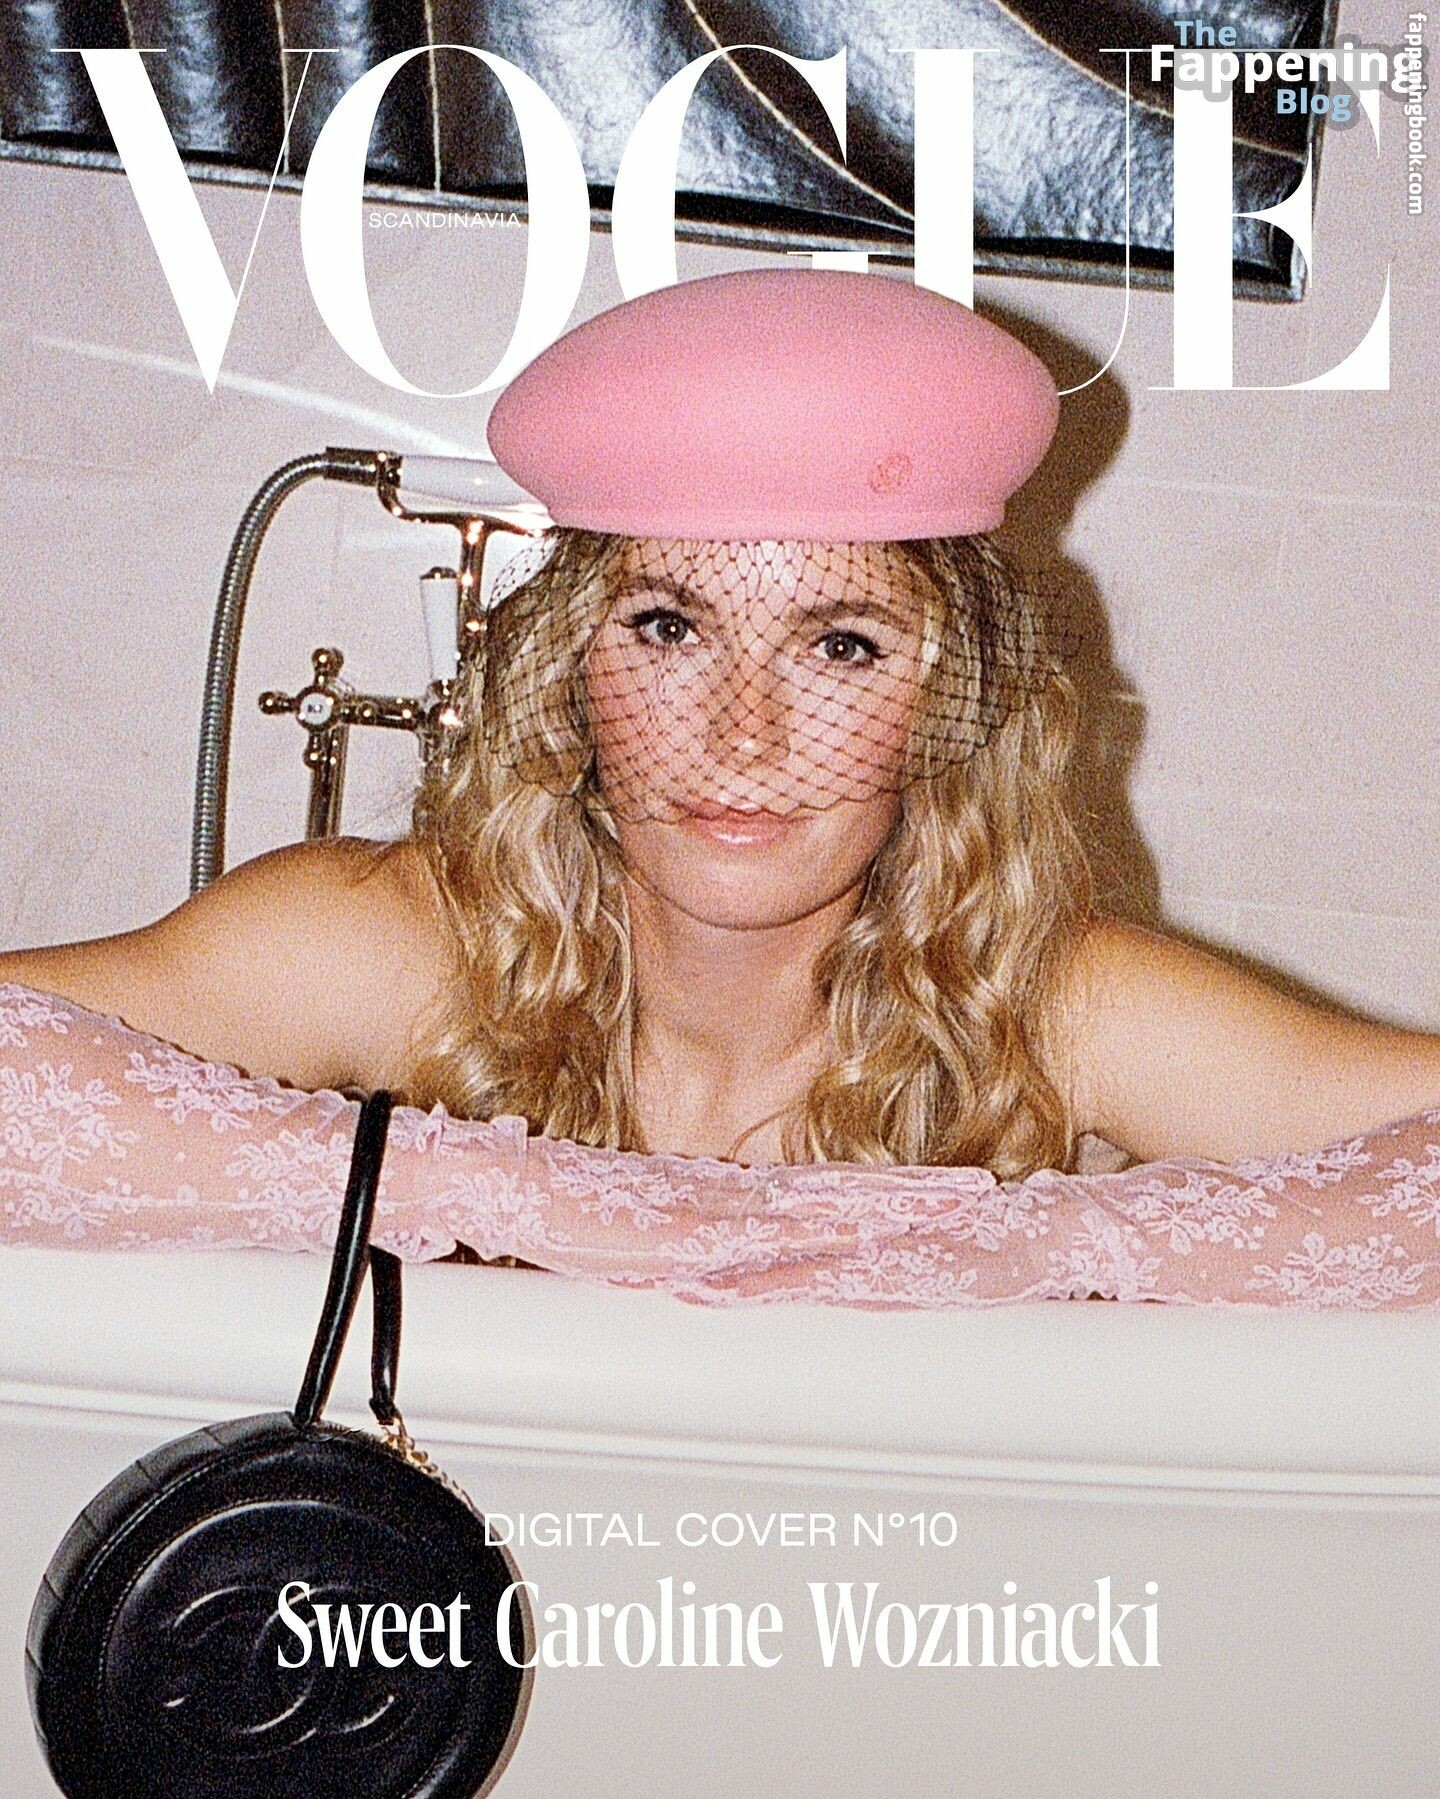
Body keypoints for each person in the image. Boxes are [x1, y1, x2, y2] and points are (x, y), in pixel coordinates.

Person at [2, 269, 1439, 1308]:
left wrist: (1044, 1243)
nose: (744, 735)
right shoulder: (397, 939)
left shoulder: (1042, 998)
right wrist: (484, 1187)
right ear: (570, 669)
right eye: (668, 629)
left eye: (841, 645)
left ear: (950, 704)